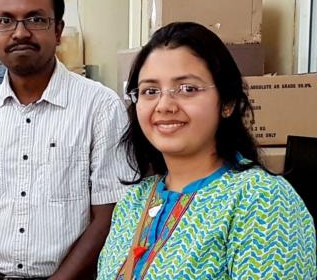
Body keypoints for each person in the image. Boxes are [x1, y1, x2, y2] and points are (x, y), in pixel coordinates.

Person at [0, 0, 131, 280]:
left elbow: (109, 216)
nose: (20, 32)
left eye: (36, 19)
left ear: (57, 31)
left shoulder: (101, 107)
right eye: (5, 20)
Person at [97, 22, 317, 279]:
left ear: (227, 102)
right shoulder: (133, 202)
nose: (164, 105)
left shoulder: (261, 200)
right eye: (150, 91)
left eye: (187, 89)